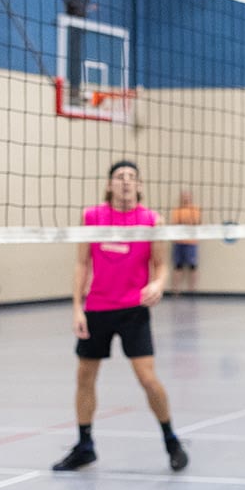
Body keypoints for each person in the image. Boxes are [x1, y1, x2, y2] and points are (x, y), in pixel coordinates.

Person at [55, 161, 185, 473]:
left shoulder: (151, 220)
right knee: (85, 377)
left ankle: (171, 440)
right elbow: (81, 264)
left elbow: (161, 265)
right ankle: (85, 446)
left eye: (131, 177)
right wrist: (77, 308)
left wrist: (158, 284)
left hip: (133, 311)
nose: (125, 182)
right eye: (119, 177)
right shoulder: (92, 217)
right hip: (97, 309)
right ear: (109, 184)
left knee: (148, 379)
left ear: (139, 186)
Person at [168, 189, 201, 295]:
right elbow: (175, 224)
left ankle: (193, 291)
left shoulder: (195, 210)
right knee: (178, 266)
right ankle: (175, 291)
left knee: (193, 266)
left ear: (191, 197)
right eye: (184, 196)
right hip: (179, 242)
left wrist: (185, 223)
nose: (185, 198)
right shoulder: (177, 210)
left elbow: (196, 223)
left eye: (187, 196)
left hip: (191, 242)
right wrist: (186, 223)